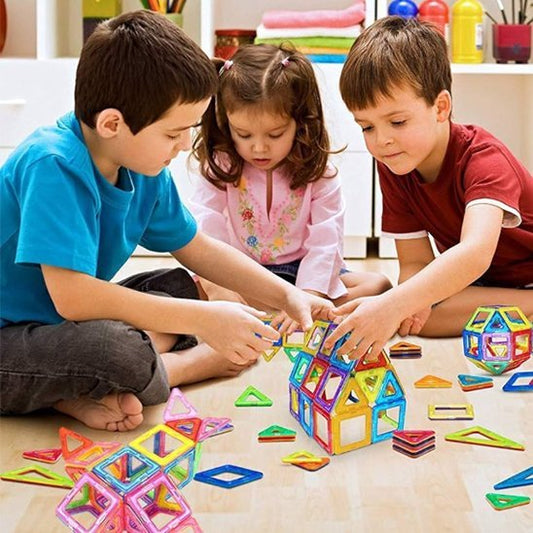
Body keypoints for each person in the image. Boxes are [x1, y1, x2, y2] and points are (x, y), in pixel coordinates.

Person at [0, 11, 333, 432]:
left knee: (182, 286)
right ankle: (181, 366)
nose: (184, 145)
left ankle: (78, 390)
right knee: (117, 350)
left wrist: (287, 295)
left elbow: (198, 249)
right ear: (112, 124)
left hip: (58, 327)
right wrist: (203, 321)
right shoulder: (53, 165)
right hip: (11, 335)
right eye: (173, 134)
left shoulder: (142, 166)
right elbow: (74, 298)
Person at [324, 16, 533, 360]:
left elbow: (475, 253)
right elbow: (415, 262)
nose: (382, 140)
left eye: (397, 122)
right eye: (367, 127)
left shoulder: (484, 159)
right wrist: (404, 303)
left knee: (407, 306)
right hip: (485, 285)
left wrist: (393, 305)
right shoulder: (396, 164)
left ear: (440, 107)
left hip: (506, 274)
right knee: (422, 318)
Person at [189, 43, 391, 325]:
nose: (259, 148)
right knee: (193, 288)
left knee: (379, 286)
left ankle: (283, 311)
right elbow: (205, 226)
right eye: (243, 134)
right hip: (245, 273)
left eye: (275, 134)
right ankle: (272, 310)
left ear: (300, 121)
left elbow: (325, 242)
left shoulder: (320, 173)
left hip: (302, 275)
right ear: (226, 122)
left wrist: (308, 296)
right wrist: (219, 287)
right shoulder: (222, 164)